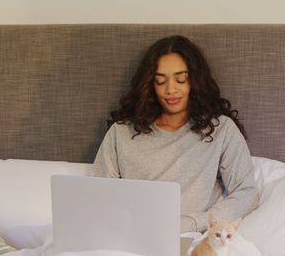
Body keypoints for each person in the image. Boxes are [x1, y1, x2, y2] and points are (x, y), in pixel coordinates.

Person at [93, 35, 257, 233]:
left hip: (196, 240)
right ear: (150, 85)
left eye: (181, 79)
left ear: (195, 82)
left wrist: (195, 223)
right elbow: (101, 197)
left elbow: (246, 193)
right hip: (135, 238)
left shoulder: (221, 129)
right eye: (160, 81)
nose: (171, 90)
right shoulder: (121, 133)